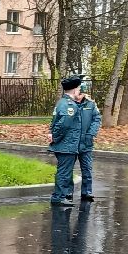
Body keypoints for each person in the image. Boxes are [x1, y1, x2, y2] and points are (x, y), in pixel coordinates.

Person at [49, 74, 101, 207]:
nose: (79, 90)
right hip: (67, 145)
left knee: (68, 171)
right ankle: (59, 197)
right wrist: (56, 137)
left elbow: (56, 123)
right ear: (74, 89)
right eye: (78, 88)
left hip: (72, 144)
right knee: (64, 172)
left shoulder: (64, 102)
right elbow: (63, 125)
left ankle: (61, 196)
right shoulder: (69, 105)